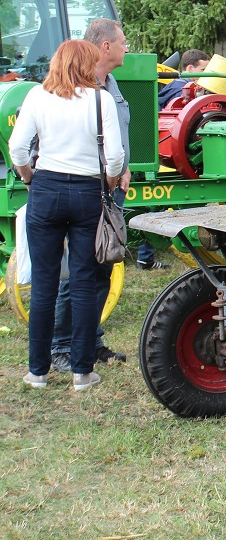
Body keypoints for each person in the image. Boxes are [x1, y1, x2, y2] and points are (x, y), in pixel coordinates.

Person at [11, 40, 124, 390]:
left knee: (44, 284)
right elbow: (116, 158)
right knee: (84, 281)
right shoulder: (99, 99)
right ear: (84, 64)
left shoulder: (37, 97)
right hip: (88, 191)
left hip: (46, 189)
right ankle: (81, 371)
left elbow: (17, 148)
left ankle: (38, 371)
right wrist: (106, 181)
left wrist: (29, 176)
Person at [49, 19, 133, 373]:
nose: (127, 47)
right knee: (78, 271)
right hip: (85, 189)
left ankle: (90, 341)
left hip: (112, 191)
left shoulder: (111, 84)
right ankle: (61, 347)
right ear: (105, 47)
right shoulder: (76, 87)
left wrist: (124, 167)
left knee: (103, 266)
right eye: (123, 42)